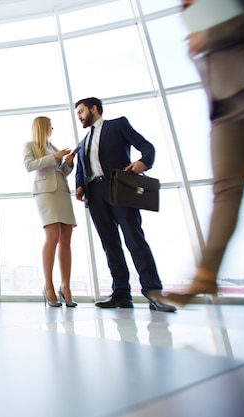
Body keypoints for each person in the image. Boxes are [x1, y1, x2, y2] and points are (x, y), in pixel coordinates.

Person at [162, 0, 244, 307]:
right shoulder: (190, 8)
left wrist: (210, 36)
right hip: (225, 108)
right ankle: (206, 274)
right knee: (225, 192)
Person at [74, 97, 176, 313]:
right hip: (95, 195)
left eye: (81, 111)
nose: (80, 117)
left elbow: (146, 146)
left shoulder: (118, 125)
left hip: (119, 187)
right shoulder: (83, 142)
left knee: (134, 238)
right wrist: (80, 186)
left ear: (94, 109)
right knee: (110, 244)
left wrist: (143, 162)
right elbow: (81, 169)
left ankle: (153, 292)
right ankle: (121, 293)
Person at [23, 116, 77, 307]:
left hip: (62, 190)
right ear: (42, 127)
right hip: (45, 191)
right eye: (50, 126)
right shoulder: (30, 146)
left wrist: (68, 163)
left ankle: (66, 287)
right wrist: (54, 157)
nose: (52, 128)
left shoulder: (54, 148)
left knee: (66, 238)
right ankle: (48, 286)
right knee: (52, 236)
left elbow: (61, 171)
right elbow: (29, 166)